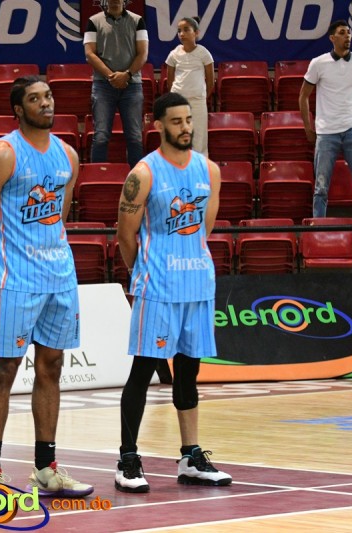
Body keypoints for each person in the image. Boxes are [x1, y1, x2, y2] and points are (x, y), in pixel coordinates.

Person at [0, 75, 93, 498]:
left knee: (52, 367)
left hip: (59, 276)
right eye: (35, 99)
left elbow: (59, 215)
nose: (46, 103)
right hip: (15, 279)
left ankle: (46, 468)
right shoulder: (2, 154)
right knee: (4, 370)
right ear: (18, 109)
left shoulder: (68, 155)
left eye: (49, 96)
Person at [114, 91, 232, 493]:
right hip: (158, 287)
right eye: (177, 121)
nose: (185, 128)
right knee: (143, 371)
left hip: (197, 284)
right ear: (159, 125)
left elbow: (204, 230)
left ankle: (190, 455)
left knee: (189, 371)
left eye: (189, 120)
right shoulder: (144, 174)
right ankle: (128, 457)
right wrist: (147, 271)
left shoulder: (209, 170)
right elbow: (125, 235)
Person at [299, 19, 352, 253]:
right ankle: (317, 234)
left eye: (349, 33)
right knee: (321, 188)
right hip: (326, 132)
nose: (347, 36)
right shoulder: (318, 63)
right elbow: (303, 96)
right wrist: (308, 126)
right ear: (332, 38)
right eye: (342, 33)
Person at [84, 0, 148, 168]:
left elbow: (143, 53)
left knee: (135, 137)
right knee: (101, 136)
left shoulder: (138, 20)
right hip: (103, 86)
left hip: (132, 86)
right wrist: (111, 76)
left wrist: (127, 75)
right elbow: (90, 54)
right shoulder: (93, 21)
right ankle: (98, 177)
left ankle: (137, 178)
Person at [165, 16, 214, 157]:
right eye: (179, 30)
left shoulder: (203, 53)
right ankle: (178, 164)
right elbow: (169, 80)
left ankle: (199, 165)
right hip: (178, 102)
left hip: (198, 101)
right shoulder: (174, 54)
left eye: (186, 30)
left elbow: (210, 81)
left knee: (199, 137)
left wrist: (201, 96)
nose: (182, 34)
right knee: (178, 134)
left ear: (196, 33)